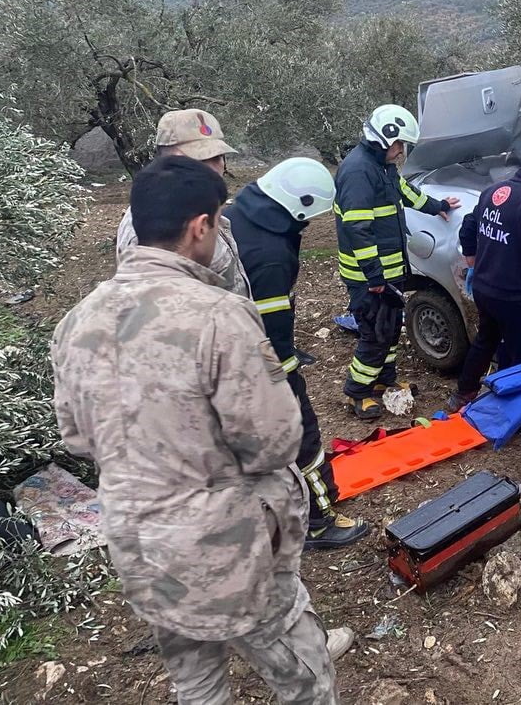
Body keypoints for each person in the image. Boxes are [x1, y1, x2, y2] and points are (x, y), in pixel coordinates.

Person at [51, 156, 349, 705]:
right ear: (200, 226)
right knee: (305, 677)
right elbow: (274, 442)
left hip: (141, 548)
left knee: (196, 680)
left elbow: (77, 438)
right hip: (227, 553)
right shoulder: (219, 316)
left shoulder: (78, 320)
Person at [226, 158, 370, 550]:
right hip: (260, 362)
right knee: (302, 437)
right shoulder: (271, 255)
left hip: (227, 361)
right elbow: (271, 331)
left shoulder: (234, 216)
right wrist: (289, 376)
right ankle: (320, 522)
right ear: (299, 208)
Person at [334, 104, 459, 419]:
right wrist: (375, 278)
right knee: (374, 334)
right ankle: (357, 392)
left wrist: (437, 205)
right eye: (399, 144)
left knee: (390, 329)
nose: (402, 151)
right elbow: (357, 230)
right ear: (382, 138)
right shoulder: (358, 171)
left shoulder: (382, 167)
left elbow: (404, 192)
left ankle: (384, 380)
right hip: (369, 278)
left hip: (388, 272)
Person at [447, 138, 521, 441]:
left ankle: (463, 395)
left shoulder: (492, 191)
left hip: (484, 288)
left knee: (486, 340)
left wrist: (474, 261)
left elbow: (468, 227)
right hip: (514, 295)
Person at [115, 109, 249, 297]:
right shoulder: (148, 222)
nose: (213, 168)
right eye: (200, 159)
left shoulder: (204, 204)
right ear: (168, 160)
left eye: (218, 157)